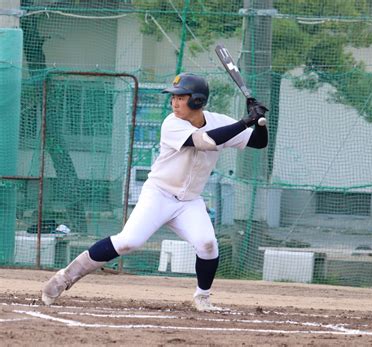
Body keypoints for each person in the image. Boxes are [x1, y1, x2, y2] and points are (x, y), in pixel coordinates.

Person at [41, 72, 268, 311]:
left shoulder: (220, 121)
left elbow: (259, 142)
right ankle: (65, 278)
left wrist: (259, 121)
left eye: (181, 97)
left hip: (189, 202)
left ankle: (202, 297)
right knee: (129, 241)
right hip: (159, 194)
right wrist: (245, 121)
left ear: (197, 101)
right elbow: (205, 141)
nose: (175, 102)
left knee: (208, 244)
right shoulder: (172, 123)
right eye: (174, 97)